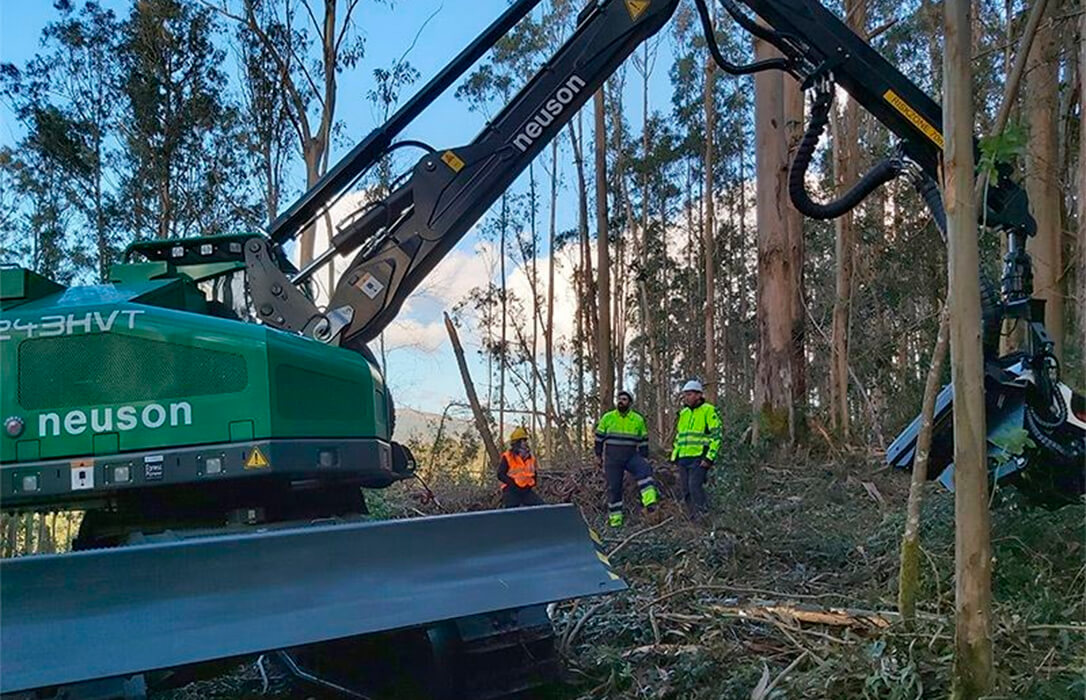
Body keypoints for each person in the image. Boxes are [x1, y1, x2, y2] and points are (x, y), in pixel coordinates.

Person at [595, 390, 658, 527]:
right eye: (619, 399)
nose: (620, 401)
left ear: (629, 403)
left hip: (631, 456)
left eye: (624, 399)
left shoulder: (638, 419)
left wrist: (644, 456)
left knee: (644, 470)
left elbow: (643, 440)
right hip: (612, 458)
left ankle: (650, 503)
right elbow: (599, 438)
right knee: (614, 488)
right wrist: (598, 456)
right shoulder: (608, 418)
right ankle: (616, 522)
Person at [670, 379, 722, 520]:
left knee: (695, 487)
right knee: (685, 489)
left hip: (699, 458)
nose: (687, 397)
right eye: (685, 394)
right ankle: (692, 518)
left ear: (699, 395)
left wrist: (709, 457)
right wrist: (675, 456)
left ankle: (703, 516)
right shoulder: (684, 413)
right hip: (683, 458)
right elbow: (679, 437)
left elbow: (716, 436)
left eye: (690, 394)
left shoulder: (708, 410)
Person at [497, 426, 544, 508]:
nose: (525, 442)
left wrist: (531, 484)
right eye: (523, 440)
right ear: (517, 442)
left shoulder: (530, 458)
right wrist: (513, 484)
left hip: (526, 491)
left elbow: (534, 474)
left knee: (542, 508)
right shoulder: (508, 456)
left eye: (525, 440)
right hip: (511, 491)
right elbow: (500, 474)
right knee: (511, 514)